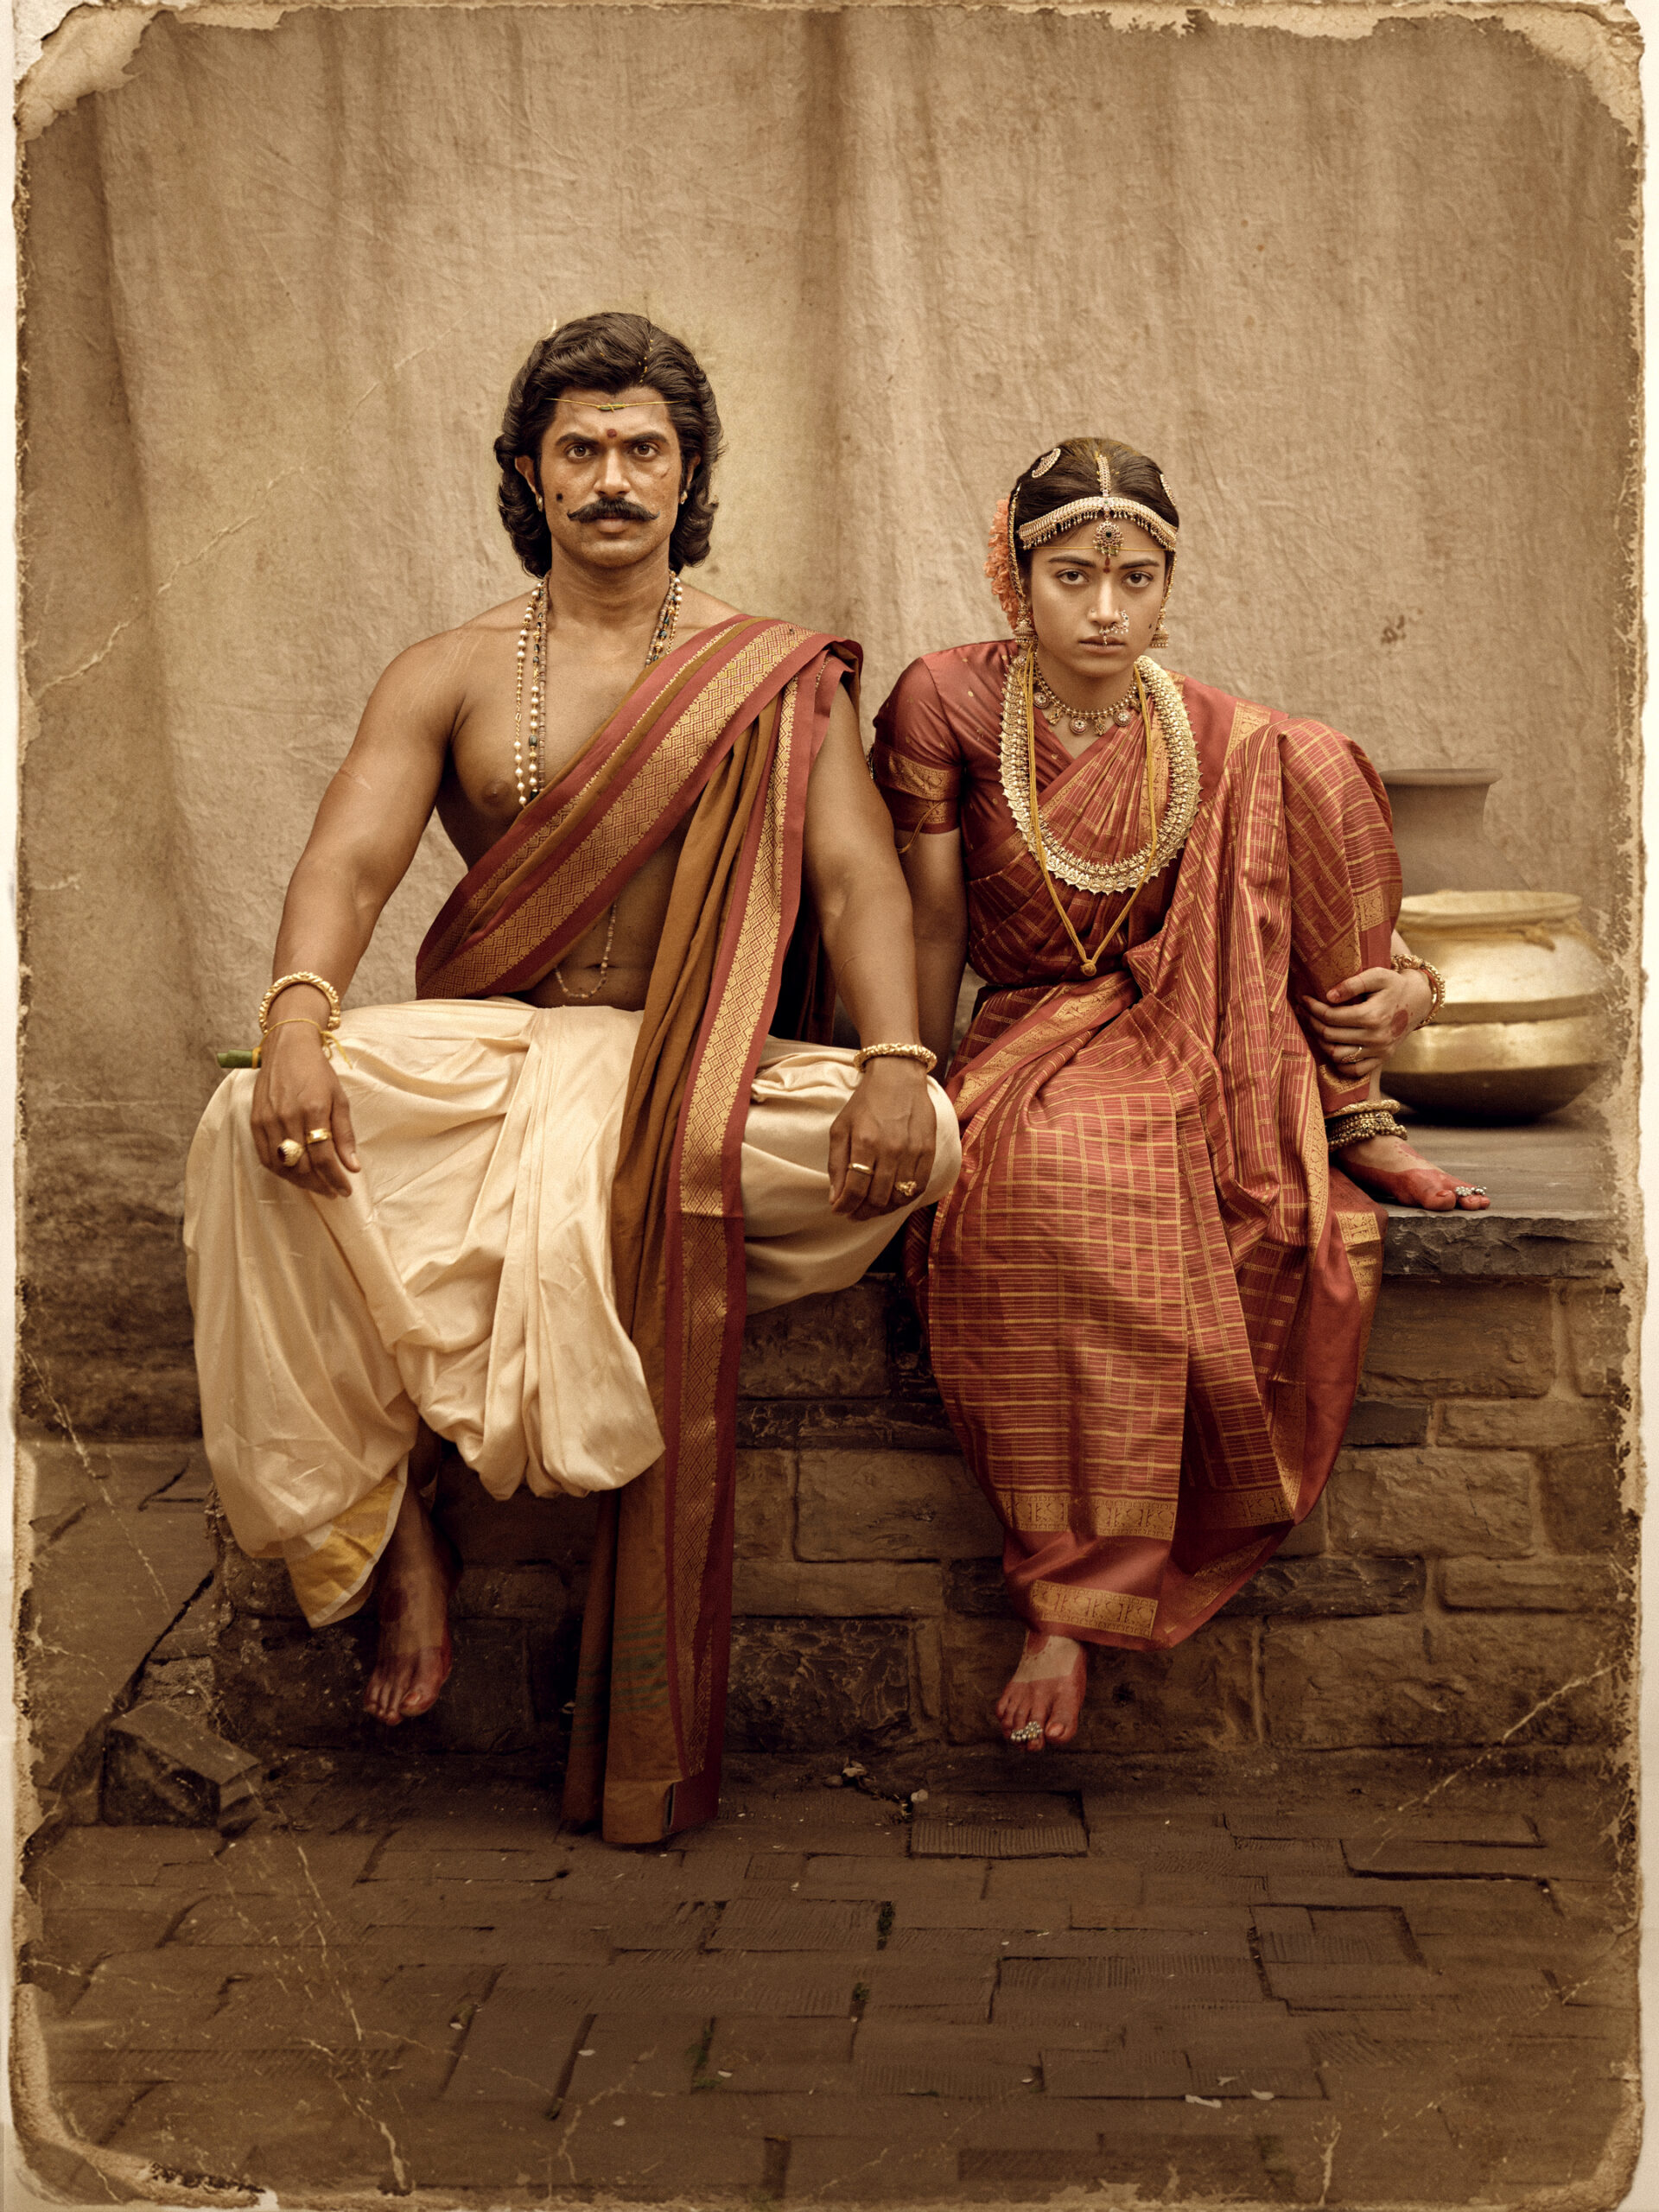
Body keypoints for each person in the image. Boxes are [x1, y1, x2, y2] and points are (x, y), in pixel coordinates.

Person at [184, 312, 958, 1847]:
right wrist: (296, 1023)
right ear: (530, 475)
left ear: (690, 474)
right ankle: (389, 1533)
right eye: (581, 449)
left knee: (923, 1137)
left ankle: (501, 1279)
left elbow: (860, 883)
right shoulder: (452, 670)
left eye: (643, 449)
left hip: (697, 1062)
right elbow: (350, 862)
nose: (612, 478)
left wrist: (890, 1061)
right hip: (511, 1045)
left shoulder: (772, 677)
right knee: (243, 1123)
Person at [872, 435, 1486, 1754]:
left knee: (1314, 758)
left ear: (1167, 588)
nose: (1106, 610)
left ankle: (1355, 1107)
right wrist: (910, 1078)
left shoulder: (1214, 735)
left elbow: (1279, 905)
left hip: (1207, 1019)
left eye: (1136, 579)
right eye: (1073, 576)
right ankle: (1067, 1596)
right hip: (1034, 1027)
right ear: (1013, 579)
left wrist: (1409, 986)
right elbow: (929, 922)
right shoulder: (947, 700)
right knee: (1063, 1179)